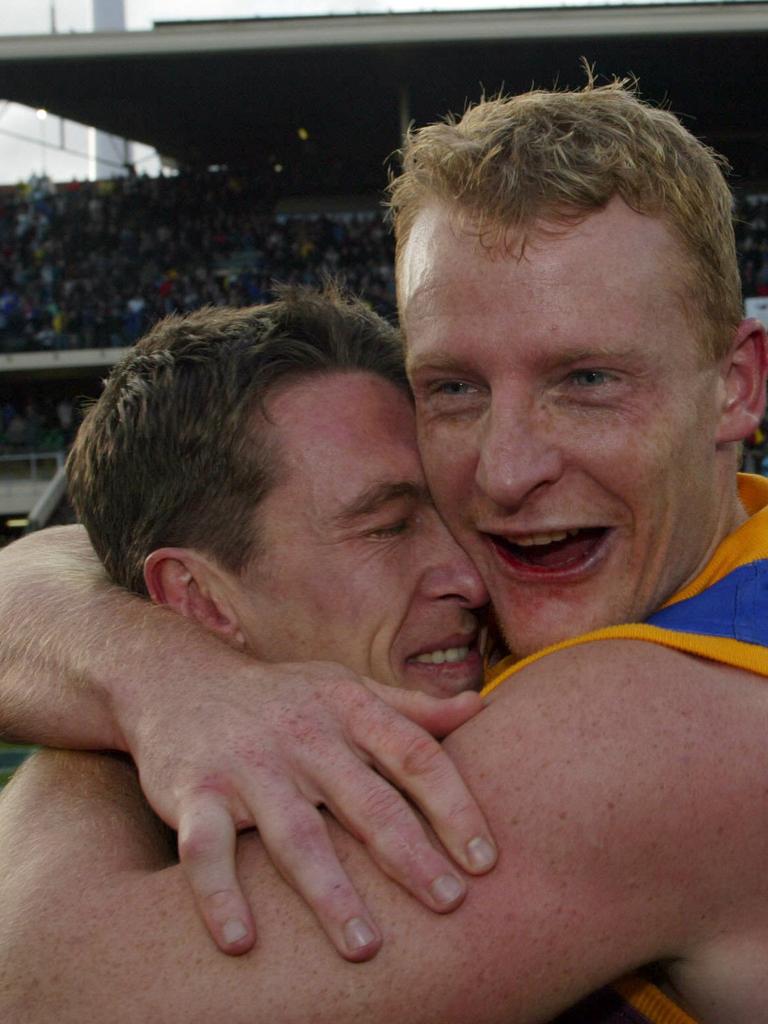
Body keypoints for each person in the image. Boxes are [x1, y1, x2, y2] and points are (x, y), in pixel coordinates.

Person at [2, 78, 768, 1022]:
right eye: (452, 388)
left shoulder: (663, 727)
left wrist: (120, 725)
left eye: (589, 378)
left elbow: (49, 991)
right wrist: (154, 674)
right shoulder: (680, 567)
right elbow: (53, 560)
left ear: (736, 387)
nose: (505, 470)